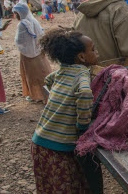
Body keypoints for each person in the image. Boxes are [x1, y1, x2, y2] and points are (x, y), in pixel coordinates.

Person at [31, 28, 101, 193]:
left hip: (40, 141)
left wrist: (63, 99)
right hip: (57, 147)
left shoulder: (63, 70)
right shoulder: (81, 75)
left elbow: (48, 80)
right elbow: (84, 94)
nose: (96, 52)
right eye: (93, 50)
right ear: (82, 57)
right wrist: (82, 126)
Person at [13, 3, 52, 104]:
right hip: (39, 52)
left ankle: (36, 95)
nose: (15, 16)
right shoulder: (34, 21)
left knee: (31, 76)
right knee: (43, 73)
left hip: (28, 54)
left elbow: (19, 40)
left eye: (16, 13)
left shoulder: (22, 24)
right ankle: (47, 94)